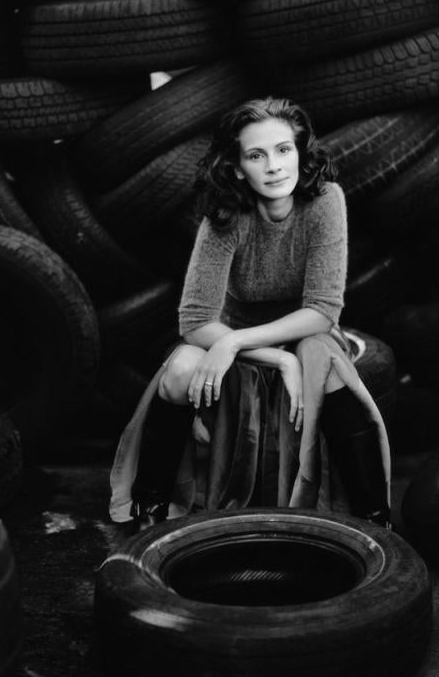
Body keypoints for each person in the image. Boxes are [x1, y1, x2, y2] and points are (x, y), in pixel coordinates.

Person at [108, 96, 391, 531]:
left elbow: (322, 310)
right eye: (257, 155)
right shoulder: (224, 217)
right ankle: (152, 506)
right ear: (238, 168)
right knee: (180, 371)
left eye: (284, 150)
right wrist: (266, 353)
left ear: (300, 153)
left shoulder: (325, 201)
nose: (274, 166)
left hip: (301, 330)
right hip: (230, 330)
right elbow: (196, 319)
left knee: (324, 360)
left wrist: (242, 344)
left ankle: (375, 517)